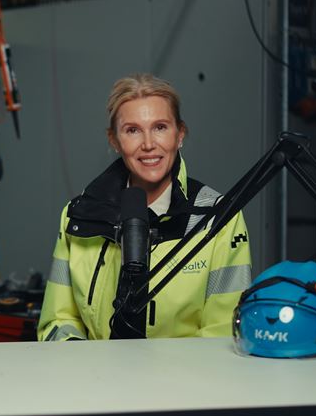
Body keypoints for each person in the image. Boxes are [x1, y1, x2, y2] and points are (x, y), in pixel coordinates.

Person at [38, 73, 252, 341]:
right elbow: (58, 320)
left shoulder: (218, 217)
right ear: (114, 140)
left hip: (188, 370)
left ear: (180, 134)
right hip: (95, 369)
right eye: (132, 130)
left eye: (160, 127)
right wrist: (85, 362)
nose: (149, 144)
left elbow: (223, 332)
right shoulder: (79, 216)